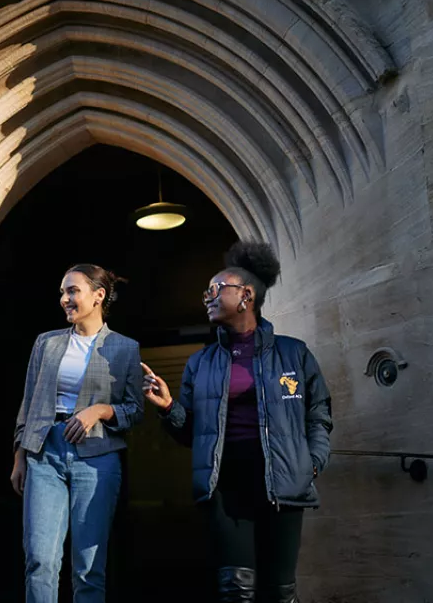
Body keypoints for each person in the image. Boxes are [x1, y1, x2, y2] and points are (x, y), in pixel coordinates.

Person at [142, 242, 332, 603]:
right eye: (206, 292)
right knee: (236, 590)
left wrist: (314, 463)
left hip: (283, 481)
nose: (207, 297)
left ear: (245, 295)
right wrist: (168, 406)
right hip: (226, 485)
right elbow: (190, 433)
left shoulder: (294, 352)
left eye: (216, 289)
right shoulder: (201, 362)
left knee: (280, 590)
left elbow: (319, 414)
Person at [11, 264, 144, 603]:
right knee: (40, 560)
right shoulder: (47, 343)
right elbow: (29, 401)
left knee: (88, 566)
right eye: (62, 292)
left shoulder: (125, 347)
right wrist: (20, 456)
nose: (64, 299)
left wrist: (98, 410)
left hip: (98, 457)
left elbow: (135, 410)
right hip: (44, 453)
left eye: (72, 291)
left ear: (98, 295)